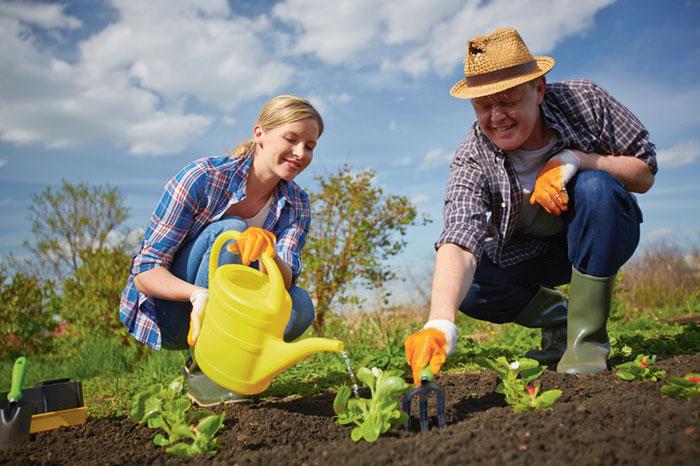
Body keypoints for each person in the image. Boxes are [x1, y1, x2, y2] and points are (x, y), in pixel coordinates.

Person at [404, 27, 657, 385]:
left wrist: (574, 160)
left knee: (595, 187)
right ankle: (560, 319)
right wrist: (439, 322)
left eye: (507, 100)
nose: (496, 117)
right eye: (483, 106)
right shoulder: (472, 157)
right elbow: (460, 237)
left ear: (538, 89)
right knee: (471, 285)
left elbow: (644, 173)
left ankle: (586, 341)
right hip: (534, 255)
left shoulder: (584, 102)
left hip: (603, 231)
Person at [119, 95, 323, 405]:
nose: (300, 153)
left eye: (309, 146)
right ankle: (208, 369)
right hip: (176, 312)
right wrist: (199, 294)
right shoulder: (203, 178)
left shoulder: (297, 204)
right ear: (260, 135)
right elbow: (145, 272)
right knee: (232, 233)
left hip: (234, 314)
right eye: (291, 139)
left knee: (301, 305)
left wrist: (269, 252)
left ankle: (231, 365)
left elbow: (287, 279)